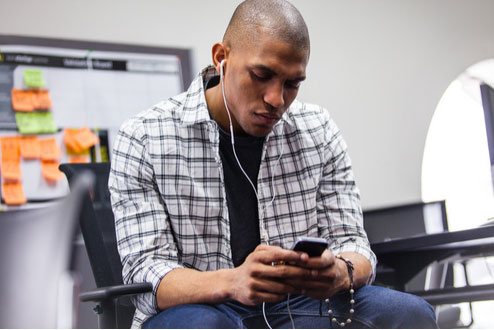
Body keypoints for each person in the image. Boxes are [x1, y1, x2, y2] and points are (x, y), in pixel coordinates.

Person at [109, 0, 438, 328]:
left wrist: (340, 271)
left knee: (411, 314)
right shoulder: (145, 137)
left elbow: (355, 246)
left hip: (299, 306)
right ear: (221, 58)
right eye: (261, 75)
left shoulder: (318, 130)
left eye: (292, 83)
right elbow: (146, 270)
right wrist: (233, 282)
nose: (276, 100)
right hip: (203, 307)